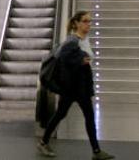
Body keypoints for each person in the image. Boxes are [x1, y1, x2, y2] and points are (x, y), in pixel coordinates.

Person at [37, 11, 114, 160]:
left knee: (83, 116)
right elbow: (63, 59)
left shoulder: (84, 39)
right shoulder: (72, 41)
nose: (88, 24)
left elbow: (84, 59)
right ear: (77, 23)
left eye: (90, 21)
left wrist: (82, 61)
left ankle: (96, 151)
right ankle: (44, 142)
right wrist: (80, 60)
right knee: (64, 114)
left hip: (80, 87)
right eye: (85, 21)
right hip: (72, 88)